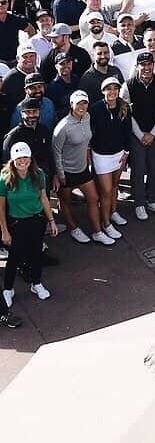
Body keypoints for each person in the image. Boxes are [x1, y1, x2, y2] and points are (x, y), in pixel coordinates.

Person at [52, 91, 115, 245]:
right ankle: (73, 228)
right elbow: (56, 152)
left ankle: (97, 232)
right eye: (78, 103)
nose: (82, 106)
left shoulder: (87, 118)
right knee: (65, 203)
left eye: (85, 103)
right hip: (66, 172)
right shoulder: (63, 127)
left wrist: (88, 160)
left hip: (82, 169)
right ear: (71, 105)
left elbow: (86, 142)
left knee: (93, 198)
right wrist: (61, 175)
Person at [1, 142, 57, 313]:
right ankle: (8, 289)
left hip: (36, 220)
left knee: (36, 254)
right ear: (12, 160)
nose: (22, 161)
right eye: (18, 158)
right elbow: (0, 208)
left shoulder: (39, 174)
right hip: (17, 223)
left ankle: (36, 283)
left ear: (30, 158)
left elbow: (43, 199)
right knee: (14, 257)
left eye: (25, 157)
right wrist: (4, 231)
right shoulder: (4, 178)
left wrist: (51, 220)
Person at [120, 52, 155, 221]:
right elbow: (127, 113)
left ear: (153, 65)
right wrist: (141, 135)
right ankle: (139, 203)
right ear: (138, 66)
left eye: (149, 64)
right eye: (143, 64)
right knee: (138, 168)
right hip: (137, 134)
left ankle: (153, 199)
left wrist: (153, 133)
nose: (147, 67)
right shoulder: (128, 85)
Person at [89, 77, 131, 239]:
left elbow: (127, 131)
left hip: (119, 154)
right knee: (106, 191)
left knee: (114, 186)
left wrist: (126, 152)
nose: (112, 92)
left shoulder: (124, 107)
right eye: (108, 88)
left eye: (115, 88)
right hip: (101, 156)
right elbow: (90, 133)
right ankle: (106, 224)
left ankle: (113, 212)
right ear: (102, 91)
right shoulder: (95, 109)